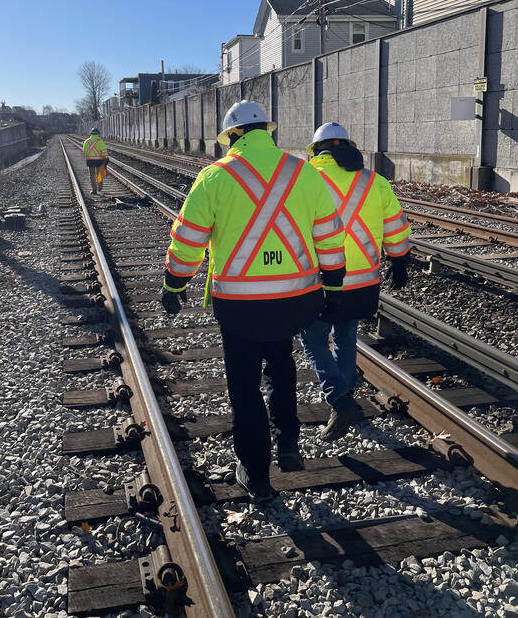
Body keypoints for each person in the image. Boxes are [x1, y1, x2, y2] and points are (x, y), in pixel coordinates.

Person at [159, 101, 346, 502]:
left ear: (234, 136)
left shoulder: (215, 177)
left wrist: (175, 283)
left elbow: (189, 238)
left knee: (244, 387)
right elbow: (329, 236)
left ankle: (256, 474)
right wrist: (333, 284)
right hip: (296, 300)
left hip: (240, 306)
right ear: (267, 130)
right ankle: (289, 444)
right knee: (281, 364)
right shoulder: (303, 173)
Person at [301, 122, 411, 441]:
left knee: (313, 340)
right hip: (363, 282)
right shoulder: (373, 181)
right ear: (348, 146)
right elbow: (395, 224)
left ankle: (339, 398)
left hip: (321, 279)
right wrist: (400, 259)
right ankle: (344, 400)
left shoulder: (306, 180)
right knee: (347, 335)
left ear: (317, 151)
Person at [82, 127, 109, 194]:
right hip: (99, 161)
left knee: (92, 176)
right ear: (97, 134)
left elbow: (84, 153)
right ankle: (100, 187)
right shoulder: (100, 141)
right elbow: (104, 152)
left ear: (91, 134)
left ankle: (94, 189)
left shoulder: (86, 141)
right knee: (99, 174)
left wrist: (89, 156)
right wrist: (105, 159)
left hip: (90, 161)